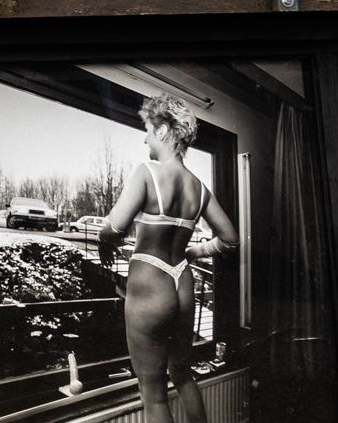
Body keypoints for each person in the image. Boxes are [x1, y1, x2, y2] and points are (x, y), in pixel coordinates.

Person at [99, 96, 240, 423]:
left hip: (150, 284)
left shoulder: (147, 173)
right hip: (182, 283)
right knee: (183, 374)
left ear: (163, 130)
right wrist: (194, 251)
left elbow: (115, 227)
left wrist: (106, 235)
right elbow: (230, 239)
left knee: (153, 392)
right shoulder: (200, 189)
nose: (145, 137)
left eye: (148, 130)